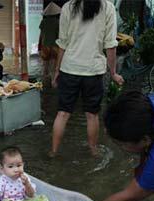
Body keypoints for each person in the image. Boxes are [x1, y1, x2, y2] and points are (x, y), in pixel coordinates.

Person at [68, 89, 154, 201]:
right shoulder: (150, 105)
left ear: (145, 140)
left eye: (121, 143)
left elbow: (130, 197)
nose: (120, 147)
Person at [49, 0, 124, 157]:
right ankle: (93, 151)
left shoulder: (68, 7)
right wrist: (113, 73)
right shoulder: (108, 7)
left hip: (69, 68)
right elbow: (110, 45)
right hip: (93, 71)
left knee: (62, 113)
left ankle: (53, 151)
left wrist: (57, 70)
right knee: (92, 115)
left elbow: (62, 43)